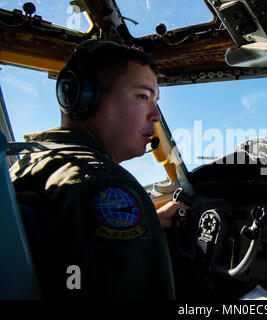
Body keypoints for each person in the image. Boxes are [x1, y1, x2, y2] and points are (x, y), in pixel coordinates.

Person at [9, 40, 188, 299]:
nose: (156, 115)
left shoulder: (33, 165)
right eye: (143, 96)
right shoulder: (101, 184)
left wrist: (147, 221)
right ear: (86, 97)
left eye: (155, 100)